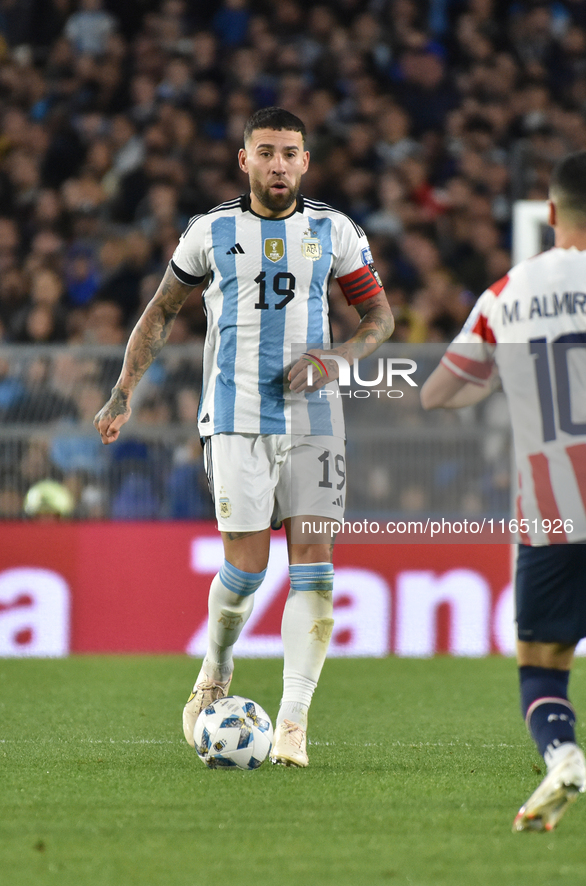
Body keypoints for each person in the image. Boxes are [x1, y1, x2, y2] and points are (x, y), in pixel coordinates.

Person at [94, 107, 394, 767]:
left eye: (290, 152)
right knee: (246, 572)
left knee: (315, 566)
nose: (278, 164)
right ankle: (215, 666)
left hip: (315, 419)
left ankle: (292, 723)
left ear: (305, 161)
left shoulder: (333, 230)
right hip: (233, 417)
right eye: (266, 152)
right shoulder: (212, 231)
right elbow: (162, 311)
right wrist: (122, 392)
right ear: (244, 160)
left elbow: (377, 315)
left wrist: (340, 358)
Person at [421, 150, 586, 831]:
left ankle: (563, 755)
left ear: (549, 214)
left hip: (550, 514)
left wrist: (494, 375)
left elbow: (437, 394)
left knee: (542, 665)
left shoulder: (505, 295)